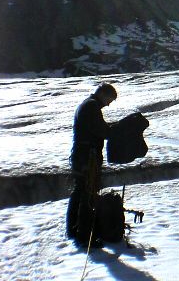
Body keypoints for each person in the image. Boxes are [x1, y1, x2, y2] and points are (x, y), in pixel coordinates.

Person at [66, 82, 117, 247]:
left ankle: (74, 230)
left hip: (81, 155)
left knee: (80, 192)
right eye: (110, 99)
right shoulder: (91, 107)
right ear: (103, 94)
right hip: (86, 157)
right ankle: (84, 236)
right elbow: (101, 130)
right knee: (87, 193)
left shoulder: (88, 105)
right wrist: (115, 131)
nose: (109, 104)